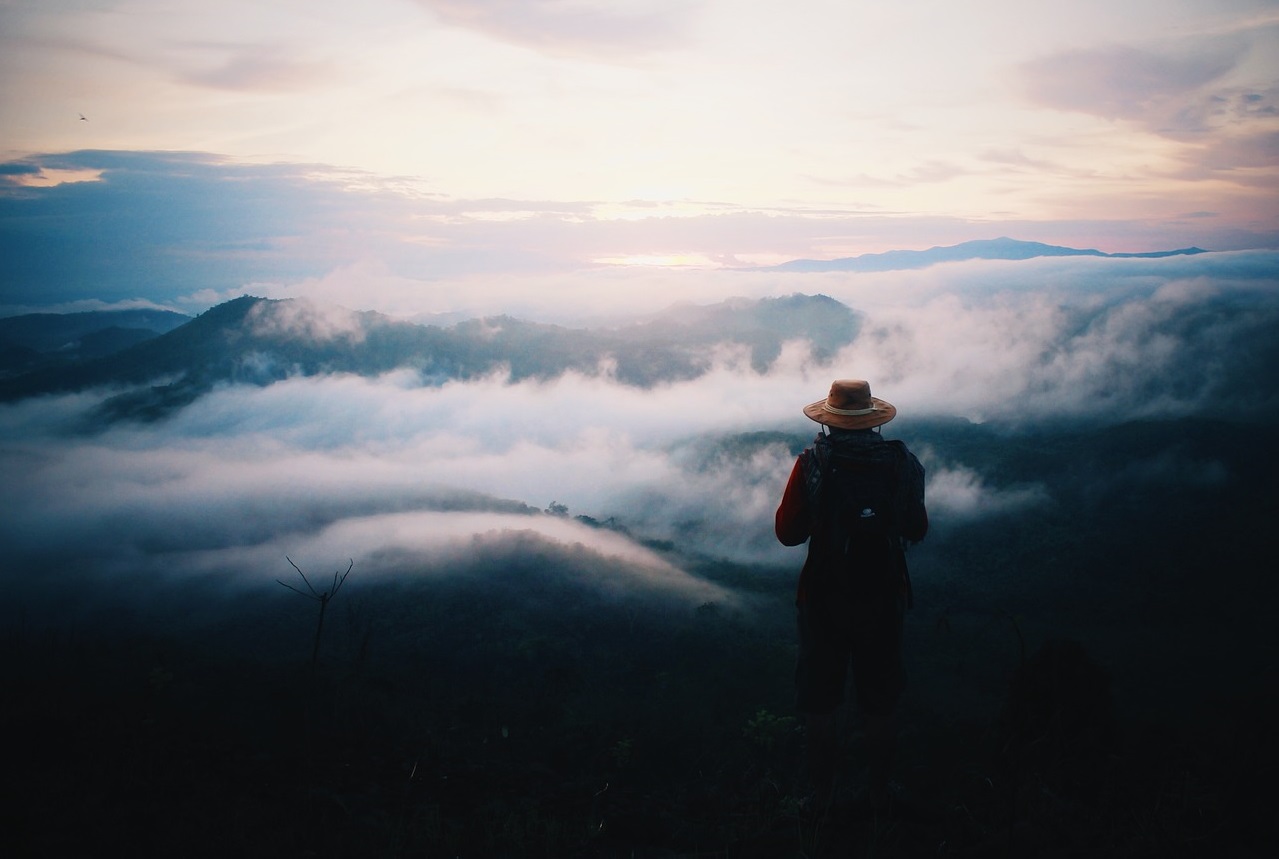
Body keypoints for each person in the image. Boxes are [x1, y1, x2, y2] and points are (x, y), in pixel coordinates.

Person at [775, 379, 928, 814]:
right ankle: (879, 796)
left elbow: (787, 534)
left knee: (821, 701)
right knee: (880, 700)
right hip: (884, 595)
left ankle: (822, 800)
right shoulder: (902, 463)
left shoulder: (812, 464)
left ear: (830, 422)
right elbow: (917, 528)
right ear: (873, 421)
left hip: (823, 596)